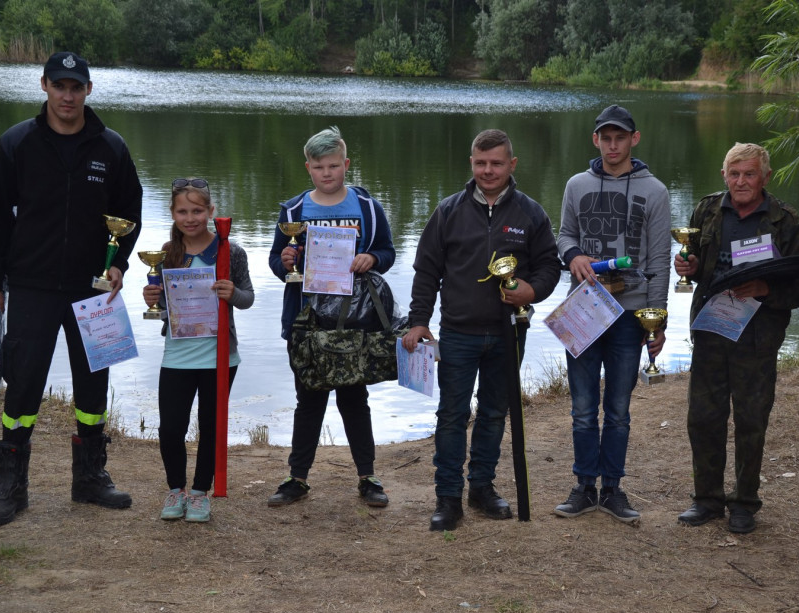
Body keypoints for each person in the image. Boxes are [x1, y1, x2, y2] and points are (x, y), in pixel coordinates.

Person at [0, 51, 143, 526]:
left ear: (88, 90)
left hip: (93, 290)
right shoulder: (16, 144)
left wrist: (120, 265)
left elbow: (129, 213)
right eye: (59, 85)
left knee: (95, 384)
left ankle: (90, 479)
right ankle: (11, 487)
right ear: (44, 86)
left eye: (76, 86)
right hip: (30, 286)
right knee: (23, 386)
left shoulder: (111, 147)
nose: (68, 95)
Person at [403, 129, 561, 531]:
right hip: (457, 332)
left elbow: (548, 266)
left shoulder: (531, 213)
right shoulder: (448, 211)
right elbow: (426, 272)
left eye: (496, 163)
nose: (487, 171)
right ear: (471, 163)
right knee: (452, 414)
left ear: (512, 164)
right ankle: (448, 497)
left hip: (509, 332)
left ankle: (482, 488)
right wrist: (419, 320)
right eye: (480, 163)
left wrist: (533, 290)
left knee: (494, 413)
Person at [673, 143, 799, 534]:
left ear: (765, 177)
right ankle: (707, 500)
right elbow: (698, 265)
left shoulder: (785, 221)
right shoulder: (707, 210)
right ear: (724, 176)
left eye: (749, 174)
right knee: (703, 418)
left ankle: (745, 503)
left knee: (751, 421)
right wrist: (690, 266)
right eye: (734, 174)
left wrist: (766, 288)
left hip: (758, 337)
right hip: (713, 330)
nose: (741, 182)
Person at [553, 105, 672, 524]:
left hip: (629, 313)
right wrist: (574, 256)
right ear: (596, 140)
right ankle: (584, 486)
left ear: (633, 140)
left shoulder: (655, 191)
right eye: (606, 137)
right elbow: (564, 234)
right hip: (583, 309)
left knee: (618, 409)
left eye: (620, 137)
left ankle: (613, 489)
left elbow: (660, 258)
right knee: (583, 409)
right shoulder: (576, 185)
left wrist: (657, 318)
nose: (613, 144)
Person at [267, 126, 396, 509]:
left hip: (355, 321)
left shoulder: (368, 209)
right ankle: (297, 478)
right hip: (308, 323)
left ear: (346, 165)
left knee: (355, 400)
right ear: (308, 167)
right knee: (308, 401)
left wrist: (372, 259)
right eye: (320, 166)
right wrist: (285, 261)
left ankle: (368, 477)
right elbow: (277, 261)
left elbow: (387, 252)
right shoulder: (292, 211)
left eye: (334, 166)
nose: (327, 173)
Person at [142, 178, 254, 523]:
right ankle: (175, 489)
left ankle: (200, 493)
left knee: (211, 426)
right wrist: (152, 301)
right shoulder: (166, 252)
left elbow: (248, 299)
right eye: (182, 211)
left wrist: (231, 293)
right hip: (177, 356)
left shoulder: (230, 251)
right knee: (171, 428)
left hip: (220, 356)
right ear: (173, 213)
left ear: (210, 212)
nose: (190, 217)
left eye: (197, 210)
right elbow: (165, 310)